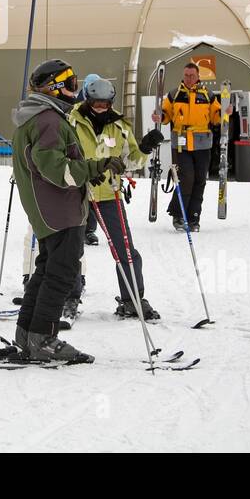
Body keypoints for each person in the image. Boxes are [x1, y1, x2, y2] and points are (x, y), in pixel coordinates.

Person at [5, 59, 119, 364]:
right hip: (59, 211)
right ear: (54, 88)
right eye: (70, 84)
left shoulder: (39, 118)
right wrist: (94, 167)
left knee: (47, 271)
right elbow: (57, 170)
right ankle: (44, 337)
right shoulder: (48, 121)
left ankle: (28, 333)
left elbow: (53, 165)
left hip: (50, 209)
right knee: (61, 274)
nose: (75, 91)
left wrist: (88, 171)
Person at [67, 75, 165, 321]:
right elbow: (64, 157)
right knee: (71, 249)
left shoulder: (120, 126)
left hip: (109, 193)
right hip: (76, 193)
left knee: (124, 248)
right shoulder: (71, 121)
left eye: (105, 104)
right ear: (87, 100)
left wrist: (143, 148)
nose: (100, 108)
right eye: (96, 103)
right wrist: (85, 173)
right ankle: (68, 297)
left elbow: (129, 161)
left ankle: (132, 299)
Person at [158, 61, 222, 231]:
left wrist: (224, 114)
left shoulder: (208, 95)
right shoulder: (174, 94)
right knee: (186, 178)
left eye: (192, 75)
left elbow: (216, 117)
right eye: (186, 75)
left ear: (198, 76)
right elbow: (166, 115)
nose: (188, 78)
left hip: (203, 145)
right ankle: (179, 215)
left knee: (200, 180)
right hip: (181, 145)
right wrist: (160, 116)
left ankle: (194, 218)